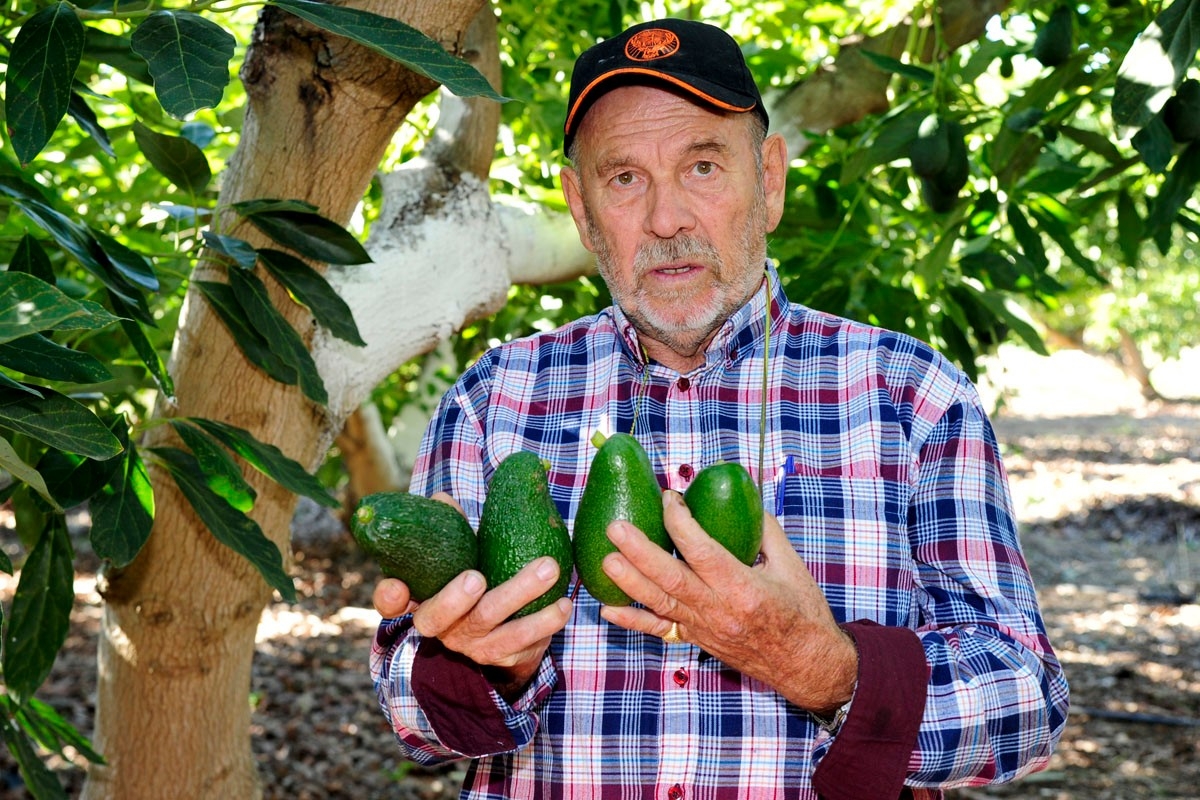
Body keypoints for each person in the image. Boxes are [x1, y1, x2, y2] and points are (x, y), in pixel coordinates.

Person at [370, 17, 1069, 799]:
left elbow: (1026, 699)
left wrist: (826, 669)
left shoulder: (912, 395)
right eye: (625, 179)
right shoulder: (490, 398)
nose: (666, 219)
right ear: (581, 205)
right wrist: (483, 664)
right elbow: (410, 708)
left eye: (703, 166)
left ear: (768, 179)